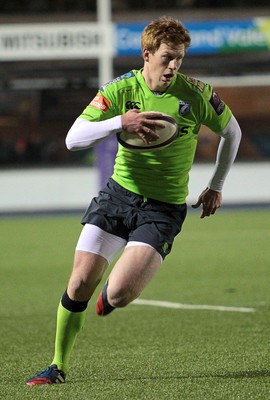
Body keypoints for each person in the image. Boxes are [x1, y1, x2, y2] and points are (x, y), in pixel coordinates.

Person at [26, 16, 241, 385]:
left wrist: (216, 184)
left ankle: (110, 297)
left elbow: (232, 132)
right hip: (117, 196)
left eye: (180, 58)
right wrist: (118, 123)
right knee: (78, 284)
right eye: (168, 57)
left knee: (121, 293)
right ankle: (56, 366)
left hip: (162, 209)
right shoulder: (122, 89)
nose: (174, 65)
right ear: (147, 54)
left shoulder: (197, 95)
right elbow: (72, 139)